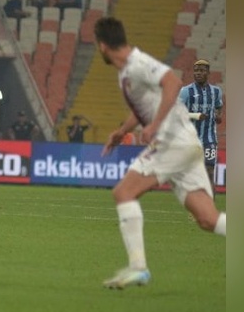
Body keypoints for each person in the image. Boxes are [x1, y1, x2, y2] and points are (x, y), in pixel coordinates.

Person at [94, 17, 226, 288]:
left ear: (103, 46)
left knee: (124, 192)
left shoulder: (138, 63)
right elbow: (144, 106)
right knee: (207, 219)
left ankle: (138, 268)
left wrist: (155, 125)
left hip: (173, 142)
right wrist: (122, 131)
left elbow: (173, 82)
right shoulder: (126, 72)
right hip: (185, 144)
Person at [179, 59, 224, 189]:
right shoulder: (186, 91)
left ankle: (210, 206)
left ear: (208, 72)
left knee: (210, 171)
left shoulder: (216, 92)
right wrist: (195, 116)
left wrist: (218, 116)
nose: (198, 73)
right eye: (196, 70)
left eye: (202, 70)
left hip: (209, 139)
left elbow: (218, 107)